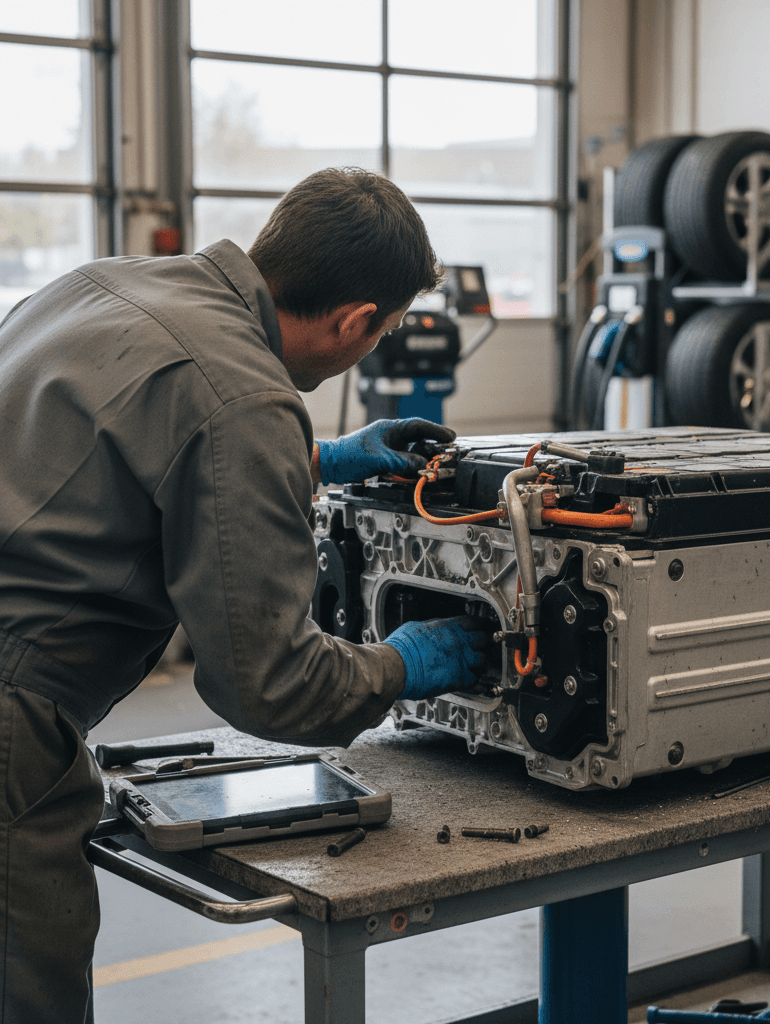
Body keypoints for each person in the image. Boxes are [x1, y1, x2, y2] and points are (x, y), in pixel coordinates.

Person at [0, 167, 488, 1023]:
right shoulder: (245, 398)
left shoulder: (104, 283)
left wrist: (323, 460)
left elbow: (146, 452)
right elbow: (270, 684)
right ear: (355, 322)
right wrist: (405, 666)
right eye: (384, 332)